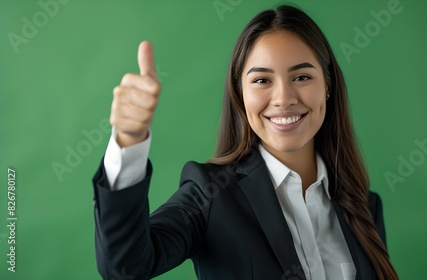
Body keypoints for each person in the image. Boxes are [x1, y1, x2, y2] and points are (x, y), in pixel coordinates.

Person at [92, 5, 398, 280]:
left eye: (302, 77)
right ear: (240, 95)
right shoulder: (212, 195)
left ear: (328, 86)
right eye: (262, 80)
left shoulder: (364, 205)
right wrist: (128, 141)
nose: (284, 99)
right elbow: (125, 268)